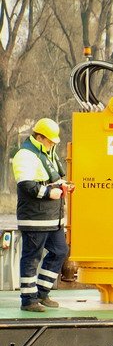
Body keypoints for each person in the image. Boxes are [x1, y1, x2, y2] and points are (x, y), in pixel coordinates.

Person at [11, 118, 72, 312]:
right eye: (51, 140)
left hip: (52, 219)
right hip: (35, 218)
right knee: (31, 257)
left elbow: (48, 180)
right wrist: (48, 193)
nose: (54, 143)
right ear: (40, 137)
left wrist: (63, 186)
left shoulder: (47, 153)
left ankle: (42, 292)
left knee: (60, 251)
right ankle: (28, 300)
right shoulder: (26, 155)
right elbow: (26, 184)